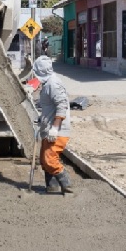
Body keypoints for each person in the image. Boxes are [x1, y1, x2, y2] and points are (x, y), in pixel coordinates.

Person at [33, 55, 73, 194]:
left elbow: (62, 105)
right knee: (44, 161)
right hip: (48, 127)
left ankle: (68, 185)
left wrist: (55, 128)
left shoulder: (53, 84)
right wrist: (42, 118)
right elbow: (49, 107)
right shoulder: (47, 83)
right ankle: (52, 187)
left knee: (50, 159)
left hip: (57, 130)